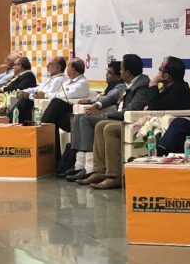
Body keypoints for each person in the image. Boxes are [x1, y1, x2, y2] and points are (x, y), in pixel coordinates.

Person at [81, 56, 190, 190]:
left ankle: (114, 176)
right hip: (147, 122)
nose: (157, 73)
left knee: (110, 128)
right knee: (100, 125)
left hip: (161, 128)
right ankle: (100, 171)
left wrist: (153, 84)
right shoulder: (166, 87)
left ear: (166, 76)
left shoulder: (180, 89)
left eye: (160, 70)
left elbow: (154, 106)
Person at [64, 54, 153, 182]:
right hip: (118, 116)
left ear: (128, 73)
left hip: (127, 120)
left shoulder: (142, 85)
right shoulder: (130, 82)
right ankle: (82, 165)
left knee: (87, 120)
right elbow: (111, 98)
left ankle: (90, 167)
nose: (120, 73)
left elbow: (130, 110)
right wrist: (97, 105)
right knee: (79, 117)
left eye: (121, 70)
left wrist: (104, 115)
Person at [54, 61, 125, 177]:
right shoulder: (110, 87)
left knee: (84, 119)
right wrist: (92, 101)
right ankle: (79, 164)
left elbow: (109, 98)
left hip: (111, 116)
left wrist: (94, 103)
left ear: (119, 76)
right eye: (107, 72)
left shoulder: (120, 87)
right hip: (104, 114)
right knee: (77, 117)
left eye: (110, 73)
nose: (106, 75)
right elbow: (101, 97)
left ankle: (89, 166)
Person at [8, 56, 67, 122]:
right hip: (36, 104)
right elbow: (37, 89)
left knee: (24, 102)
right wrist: (24, 91)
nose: (47, 66)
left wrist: (29, 95)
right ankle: (9, 121)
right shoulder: (50, 78)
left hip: (44, 107)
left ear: (58, 67)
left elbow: (44, 95)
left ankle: (7, 121)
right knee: (23, 101)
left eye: (50, 64)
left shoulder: (60, 80)